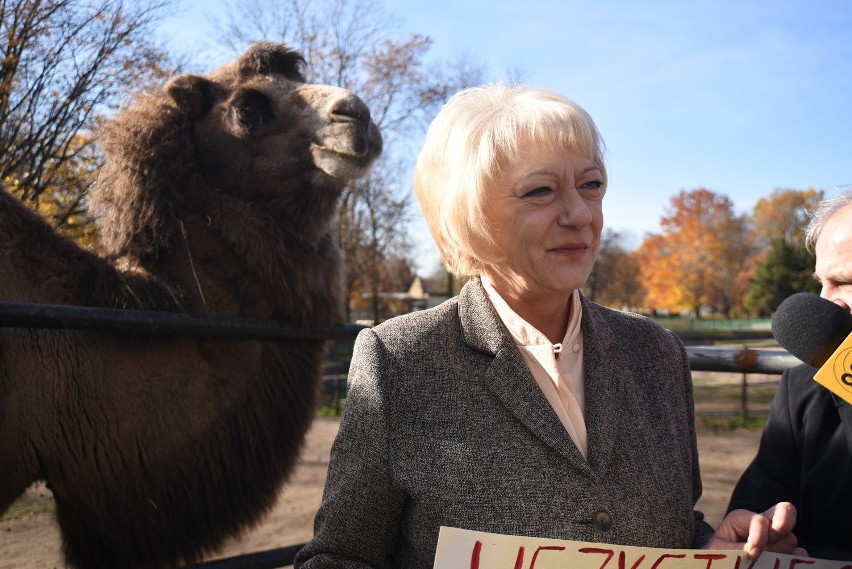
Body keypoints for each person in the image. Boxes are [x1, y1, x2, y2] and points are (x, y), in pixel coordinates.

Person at [295, 84, 802, 569]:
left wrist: (710, 547)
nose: (580, 214)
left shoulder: (656, 353)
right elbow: (341, 557)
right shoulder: (400, 360)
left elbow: (667, 531)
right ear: (467, 216)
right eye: (541, 191)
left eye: (592, 184)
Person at [727, 191, 852, 561]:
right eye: (822, 283)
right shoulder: (802, 389)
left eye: (845, 282)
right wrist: (757, 532)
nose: (827, 303)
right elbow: (758, 506)